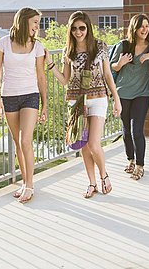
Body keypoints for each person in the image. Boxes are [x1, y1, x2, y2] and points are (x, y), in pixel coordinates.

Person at [45, 11, 121, 198]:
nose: (78, 32)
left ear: (88, 28)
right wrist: (49, 62)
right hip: (77, 101)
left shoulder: (99, 46)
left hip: (98, 98)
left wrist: (116, 99)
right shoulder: (68, 51)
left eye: (82, 28)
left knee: (94, 144)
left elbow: (108, 75)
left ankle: (104, 176)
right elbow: (65, 80)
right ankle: (91, 183)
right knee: (84, 146)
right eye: (74, 28)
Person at [0, 7, 48, 203]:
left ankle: (30, 185)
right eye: (35, 22)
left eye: (38, 23)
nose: (37, 26)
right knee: (17, 142)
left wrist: (45, 104)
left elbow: (41, 76)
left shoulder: (37, 46)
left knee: (26, 141)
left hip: (30, 96)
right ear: (24, 21)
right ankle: (25, 183)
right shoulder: (3, 43)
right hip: (9, 96)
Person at [110, 14, 149, 181]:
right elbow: (112, 67)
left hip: (142, 93)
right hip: (123, 93)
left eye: (147, 26)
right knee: (126, 129)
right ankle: (130, 160)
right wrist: (120, 63)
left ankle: (140, 165)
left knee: (136, 130)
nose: (144, 30)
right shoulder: (123, 46)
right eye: (141, 26)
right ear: (134, 28)